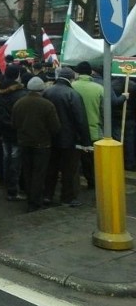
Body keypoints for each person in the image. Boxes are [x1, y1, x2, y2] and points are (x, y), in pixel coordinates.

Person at [42, 67, 91, 207]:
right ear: (71, 78)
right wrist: (86, 141)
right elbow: (80, 119)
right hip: (69, 139)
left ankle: (48, 195)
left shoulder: (47, 92)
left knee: (51, 168)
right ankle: (68, 198)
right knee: (69, 171)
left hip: (50, 138)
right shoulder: (73, 94)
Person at [12, 77, 61, 212]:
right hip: (42, 144)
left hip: (24, 143)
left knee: (27, 172)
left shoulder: (19, 103)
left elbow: (14, 123)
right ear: (42, 89)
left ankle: (29, 198)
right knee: (39, 174)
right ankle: (35, 201)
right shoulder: (47, 105)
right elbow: (55, 127)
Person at [0, 64, 28, 201]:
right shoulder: (21, 94)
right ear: (17, 75)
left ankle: (5, 184)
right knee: (15, 162)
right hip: (16, 132)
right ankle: (13, 190)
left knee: (6, 159)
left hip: (4, 132)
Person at [72, 61, 103, 189]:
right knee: (94, 159)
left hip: (75, 129)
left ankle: (78, 182)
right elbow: (104, 109)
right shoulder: (99, 88)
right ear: (91, 72)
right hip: (94, 128)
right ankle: (94, 181)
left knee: (76, 158)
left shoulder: (72, 86)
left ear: (77, 72)